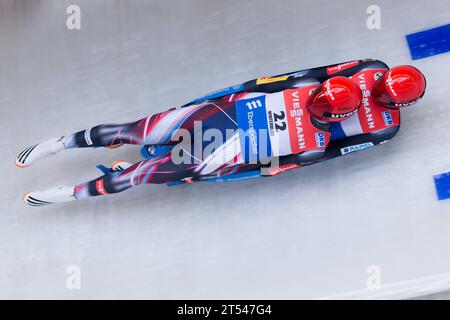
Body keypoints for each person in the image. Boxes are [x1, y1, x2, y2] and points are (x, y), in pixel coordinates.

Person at [16, 76, 361, 206]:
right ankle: (59, 144)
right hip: (214, 123)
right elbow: (253, 86)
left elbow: (274, 167)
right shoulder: (314, 133)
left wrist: (218, 173)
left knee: (136, 174)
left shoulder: (315, 139)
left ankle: (70, 194)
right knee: (130, 131)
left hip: (217, 144)